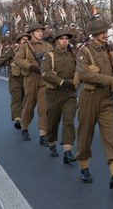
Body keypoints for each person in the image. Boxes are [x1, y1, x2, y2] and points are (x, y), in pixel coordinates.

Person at [75, 20, 113, 189]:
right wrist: (111, 80)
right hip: (89, 98)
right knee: (85, 135)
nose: (105, 35)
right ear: (95, 35)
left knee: (111, 137)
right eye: (102, 33)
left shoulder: (110, 51)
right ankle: (84, 167)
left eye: (106, 32)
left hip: (107, 99)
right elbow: (85, 75)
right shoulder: (84, 52)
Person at [41, 30, 78, 163]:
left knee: (69, 121)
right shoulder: (49, 55)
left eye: (66, 39)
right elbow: (45, 73)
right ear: (56, 41)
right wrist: (62, 82)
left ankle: (67, 150)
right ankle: (51, 142)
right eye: (61, 39)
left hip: (70, 93)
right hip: (54, 92)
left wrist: (76, 82)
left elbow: (79, 70)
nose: (64, 41)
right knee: (53, 120)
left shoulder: (73, 55)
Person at [13, 23, 53, 144]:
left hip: (44, 79)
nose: (40, 33)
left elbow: (54, 60)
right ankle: (24, 127)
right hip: (30, 78)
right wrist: (30, 66)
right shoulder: (25, 46)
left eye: (41, 31)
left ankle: (43, 134)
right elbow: (18, 59)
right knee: (29, 106)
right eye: (37, 31)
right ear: (31, 34)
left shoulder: (48, 46)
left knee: (43, 108)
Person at [0, 32, 30, 130]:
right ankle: (17, 119)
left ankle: (22, 117)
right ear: (19, 41)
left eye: (27, 39)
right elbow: (0, 60)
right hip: (15, 78)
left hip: (28, 79)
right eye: (23, 39)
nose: (25, 41)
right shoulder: (12, 51)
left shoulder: (32, 52)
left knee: (25, 100)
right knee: (16, 98)